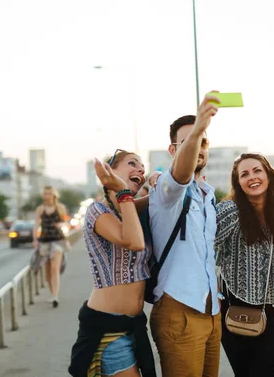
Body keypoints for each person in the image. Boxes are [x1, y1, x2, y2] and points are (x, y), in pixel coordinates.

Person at [147, 93, 222, 377]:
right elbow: (180, 174)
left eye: (203, 141)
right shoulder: (168, 190)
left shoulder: (209, 196)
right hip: (179, 309)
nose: (198, 146)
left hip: (211, 311)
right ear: (172, 149)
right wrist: (199, 128)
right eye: (190, 140)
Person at [68, 151, 155, 377]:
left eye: (142, 167)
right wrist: (122, 191)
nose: (140, 170)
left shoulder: (130, 211)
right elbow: (134, 242)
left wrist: (160, 181)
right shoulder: (97, 211)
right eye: (132, 163)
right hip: (107, 330)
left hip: (132, 327)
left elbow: (165, 197)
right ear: (110, 172)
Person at [215, 153, 274, 376]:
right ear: (238, 183)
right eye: (244, 174)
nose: (251, 177)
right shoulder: (229, 212)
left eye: (257, 170)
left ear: (269, 175)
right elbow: (204, 248)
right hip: (236, 304)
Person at [32, 186, 69, 308]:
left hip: (58, 240)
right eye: (45, 194)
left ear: (54, 195)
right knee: (47, 271)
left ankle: (55, 296)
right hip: (44, 241)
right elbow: (36, 225)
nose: (47, 196)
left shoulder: (60, 208)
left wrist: (63, 231)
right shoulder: (40, 209)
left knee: (55, 268)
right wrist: (35, 240)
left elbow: (66, 224)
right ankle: (52, 293)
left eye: (49, 193)